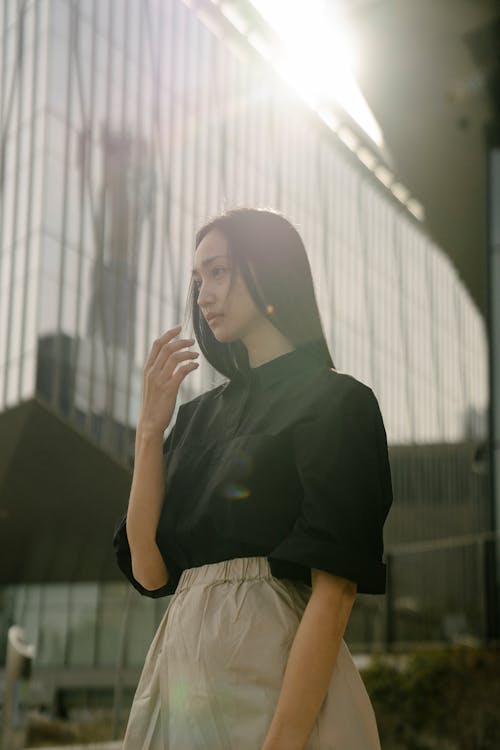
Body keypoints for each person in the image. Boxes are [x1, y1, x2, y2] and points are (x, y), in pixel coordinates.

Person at [113, 207, 393, 749]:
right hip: (182, 686)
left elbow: (334, 593)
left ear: (268, 271)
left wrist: (281, 742)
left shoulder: (338, 404)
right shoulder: (194, 419)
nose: (203, 294)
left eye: (218, 272)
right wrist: (150, 433)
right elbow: (149, 571)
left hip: (278, 690)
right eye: (197, 280)